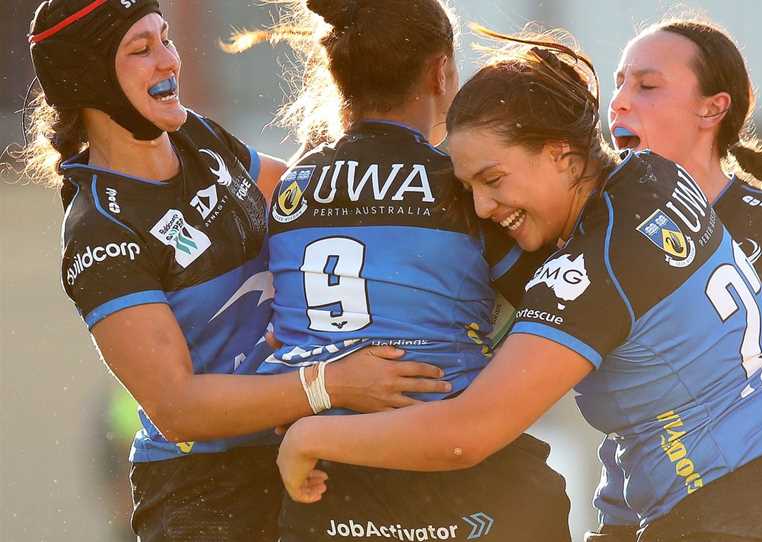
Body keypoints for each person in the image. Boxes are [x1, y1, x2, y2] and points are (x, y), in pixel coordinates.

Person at [275, 26, 762, 542]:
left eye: (493, 178)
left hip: (741, 511)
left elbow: (468, 433)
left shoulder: (596, 268)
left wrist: (310, 432)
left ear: (562, 155)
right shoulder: (654, 176)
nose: (481, 206)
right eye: (469, 187)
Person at [23, 1, 452, 540]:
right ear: (88, 79)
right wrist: (330, 383)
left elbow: (309, 200)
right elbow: (178, 407)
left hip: (300, 454)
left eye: (167, 38)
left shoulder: (198, 138)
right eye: (141, 50)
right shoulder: (99, 230)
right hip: (205, 492)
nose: (168, 61)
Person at [224, 1, 571, 541]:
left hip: (326, 486)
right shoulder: (462, 187)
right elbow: (549, 304)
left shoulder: (289, 187)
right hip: (451, 475)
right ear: (440, 72)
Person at [589, 18, 762, 540]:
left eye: (647, 86)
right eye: (619, 82)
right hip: (637, 509)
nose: (620, 101)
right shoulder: (589, 225)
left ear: (712, 108)